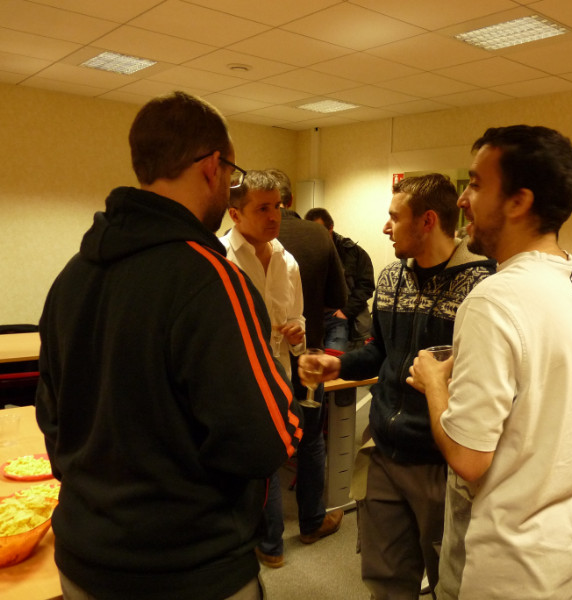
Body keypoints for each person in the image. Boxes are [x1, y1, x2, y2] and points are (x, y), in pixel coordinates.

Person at [35, 91, 303, 600]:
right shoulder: (212, 280)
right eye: (232, 175)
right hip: (187, 568)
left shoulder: (72, 276)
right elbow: (266, 440)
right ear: (212, 167)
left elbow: (51, 416)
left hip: (81, 558)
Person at [407, 125, 572, 600]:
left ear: (519, 202)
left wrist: (434, 382)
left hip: (505, 569)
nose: (463, 199)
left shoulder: (493, 300)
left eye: (476, 184)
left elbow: (468, 459)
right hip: (568, 557)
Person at [299, 173, 495, 599]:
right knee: (385, 582)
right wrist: (337, 364)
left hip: (441, 463)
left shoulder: (483, 286)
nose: (385, 227)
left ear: (427, 221)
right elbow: (380, 352)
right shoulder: (391, 277)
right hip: (385, 453)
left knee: (450, 584)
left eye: (394, 217)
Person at [220, 171, 306, 568]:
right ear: (235, 214)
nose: (274, 217)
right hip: (236, 378)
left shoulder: (287, 260)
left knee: (272, 457)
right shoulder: (221, 258)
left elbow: (297, 318)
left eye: (278, 207)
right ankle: (249, 543)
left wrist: (297, 335)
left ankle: (270, 545)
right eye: (263, 209)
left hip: (279, 374)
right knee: (244, 464)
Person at [270, 169, 348, 553]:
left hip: (262, 359)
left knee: (268, 442)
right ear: (291, 200)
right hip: (308, 355)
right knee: (311, 439)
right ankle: (311, 523)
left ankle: (268, 540)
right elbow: (339, 298)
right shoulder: (318, 235)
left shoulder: (239, 237)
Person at [305, 207, 375, 351]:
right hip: (312, 320)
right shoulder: (305, 251)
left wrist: (346, 311)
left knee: (336, 359)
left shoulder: (353, 252)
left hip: (342, 318)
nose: (315, 236)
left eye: (319, 231)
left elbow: (366, 286)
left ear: (330, 228)